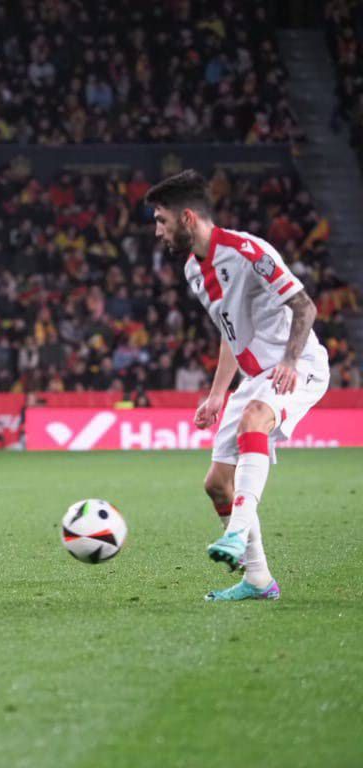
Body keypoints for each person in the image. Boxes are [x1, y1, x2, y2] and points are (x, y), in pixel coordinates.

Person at [146, 170, 329, 602]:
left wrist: (287, 359)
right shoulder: (194, 270)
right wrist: (217, 392)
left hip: (297, 362)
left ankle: (235, 534)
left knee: (254, 421)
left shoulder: (248, 251)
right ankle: (259, 580)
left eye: (161, 221)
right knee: (216, 483)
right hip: (253, 376)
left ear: (187, 218)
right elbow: (232, 333)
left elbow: (305, 306)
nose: (157, 231)